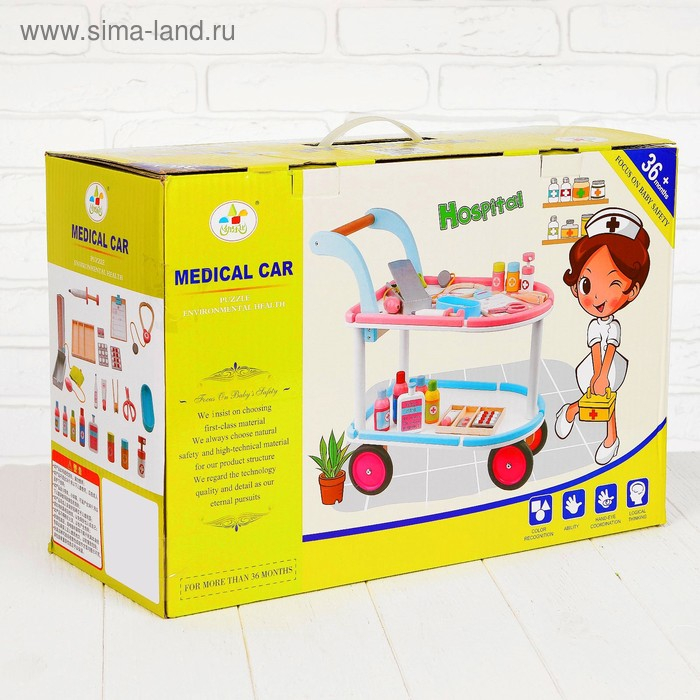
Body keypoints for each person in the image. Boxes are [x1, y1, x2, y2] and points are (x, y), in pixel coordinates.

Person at [555, 207, 651, 465]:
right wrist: (597, 374)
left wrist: (603, 375)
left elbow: (610, 350)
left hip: (612, 364)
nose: (597, 297)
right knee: (597, 397)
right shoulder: (594, 326)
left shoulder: (614, 326)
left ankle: (610, 437)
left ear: (632, 291)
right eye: (587, 284)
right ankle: (573, 411)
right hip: (595, 364)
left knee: (608, 397)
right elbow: (596, 348)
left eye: (614, 284)